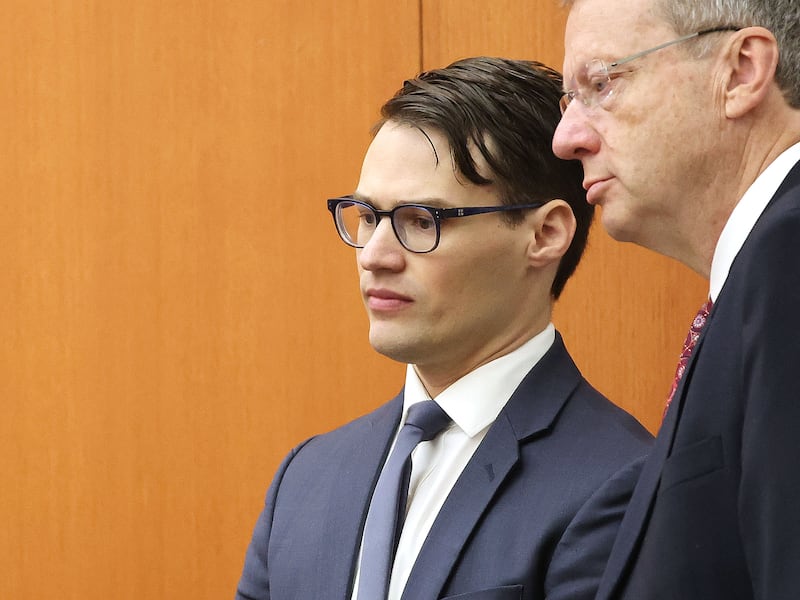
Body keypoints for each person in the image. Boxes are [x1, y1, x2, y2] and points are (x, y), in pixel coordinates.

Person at [236, 56, 652, 600]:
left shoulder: (619, 484)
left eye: (421, 221)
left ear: (546, 234)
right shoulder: (306, 478)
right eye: (367, 216)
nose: (375, 256)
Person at [553, 0, 800, 598]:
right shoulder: (757, 277)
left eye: (603, 84)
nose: (566, 138)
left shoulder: (789, 254)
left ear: (741, 71)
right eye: (568, 101)